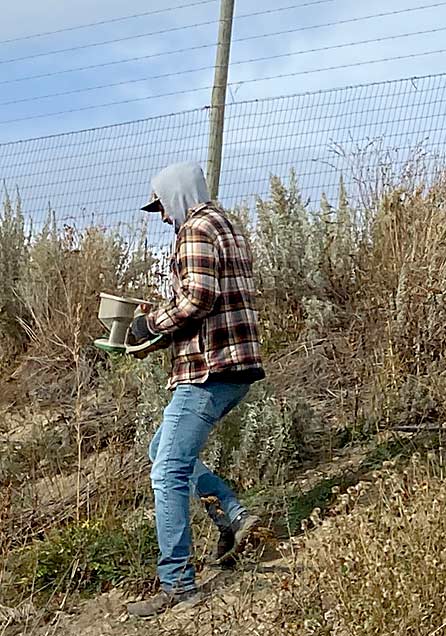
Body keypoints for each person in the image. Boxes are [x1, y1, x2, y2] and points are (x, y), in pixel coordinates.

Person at [125, 161, 266, 618]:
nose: (164, 216)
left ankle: (178, 584)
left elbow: (198, 299)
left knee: (166, 472)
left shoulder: (196, 229)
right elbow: (208, 304)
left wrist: (147, 324)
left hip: (209, 372)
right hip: (233, 366)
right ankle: (233, 513)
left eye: (163, 206)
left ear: (178, 195)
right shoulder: (226, 226)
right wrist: (158, 338)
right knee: (160, 450)